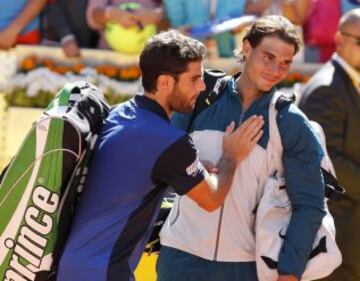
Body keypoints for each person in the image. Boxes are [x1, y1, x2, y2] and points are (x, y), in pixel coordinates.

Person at [56, 30, 264, 281]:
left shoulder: (121, 113)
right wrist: (231, 156)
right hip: (103, 273)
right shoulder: (169, 141)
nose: (201, 86)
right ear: (165, 82)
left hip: (73, 267)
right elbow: (212, 198)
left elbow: (138, 173)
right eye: (194, 79)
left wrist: (192, 166)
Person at [158, 15, 326, 281]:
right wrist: (199, 167)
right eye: (268, 57)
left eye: (285, 63)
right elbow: (161, 162)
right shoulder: (200, 96)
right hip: (178, 258)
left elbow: (309, 205)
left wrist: (289, 272)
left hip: (245, 267)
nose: (275, 70)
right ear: (247, 48)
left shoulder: (291, 123)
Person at [299, 8, 360, 281]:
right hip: (338, 236)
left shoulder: (347, 82)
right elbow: (326, 160)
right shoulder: (325, 88)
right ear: (338, 39)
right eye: (359, 41)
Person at [86, 0, 164, 49]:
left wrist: (156, 15)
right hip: (108, 55)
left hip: (151, 56)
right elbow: (92, 18)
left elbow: (172, 22)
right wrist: (111, 14)